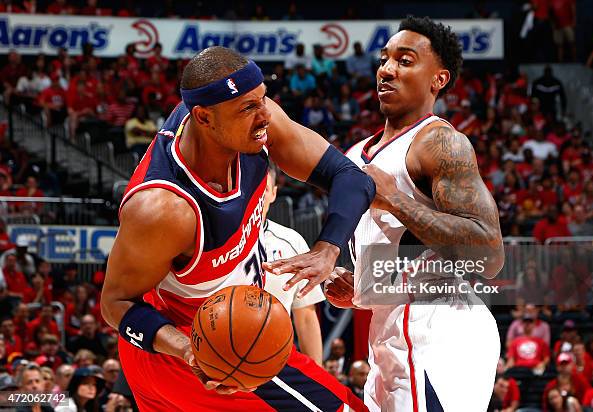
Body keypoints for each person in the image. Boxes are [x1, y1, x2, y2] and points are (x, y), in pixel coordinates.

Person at [101, 46, 373, 411]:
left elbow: (352, 178)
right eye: (248, 107)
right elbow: (114, 304)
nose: (265, 115)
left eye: (263, 99)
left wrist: (328, 248)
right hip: (193, 347)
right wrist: (189, 351)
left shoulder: (251, 126)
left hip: (227, 334)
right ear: (204, 117)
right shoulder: (164, 210)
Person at [321, 16, 503, 411]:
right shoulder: (356, 155)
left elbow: (489, 254)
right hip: (388, 334)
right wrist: (363, 290)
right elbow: (400, 256)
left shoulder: (440, 142)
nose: (387, 68)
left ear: (438, 79)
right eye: (385, 59)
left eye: (405, 60)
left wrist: (396, 200)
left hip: (440, 331)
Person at [262, 165, 325, 365]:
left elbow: (306, 316)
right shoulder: (216, 239)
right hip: (223, 357)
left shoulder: (291, 241)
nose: (256, 197)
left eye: (263, 190)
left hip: (276, 359)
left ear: (273, 194)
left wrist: (318, 375)